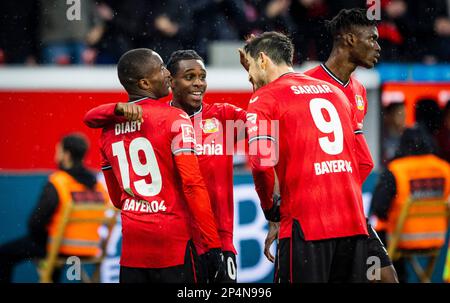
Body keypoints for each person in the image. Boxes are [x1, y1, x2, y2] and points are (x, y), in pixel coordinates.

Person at [84, 49, 247, 283]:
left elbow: (118, 198)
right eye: (164, 71)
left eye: (203, 76)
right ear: (145, 82)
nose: (167, 76)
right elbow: (192, 184)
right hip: (178, 240)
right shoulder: (173, 119)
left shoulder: (108, 129)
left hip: (134, 245)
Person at [241, 31, 369, 282]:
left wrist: (271, 212)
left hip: (306, 225)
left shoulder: (264, 98)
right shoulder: (335, 92)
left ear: (263, 60)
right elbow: (364, 160)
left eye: (250, 66)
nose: (249, 76)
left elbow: (260, 163)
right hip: (353, 224)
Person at [302, 8, 398, 283]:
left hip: (351, 210)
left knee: (386, 277)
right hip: (318, 215)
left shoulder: (359, 92)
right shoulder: (306, 84)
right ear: (349, 39)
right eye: (372, 39)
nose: (379, 47)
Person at [0, 134, 110, 282]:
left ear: (67, 155)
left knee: (4, 254)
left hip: (61, 248)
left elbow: (35, 223)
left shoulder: (59, 181)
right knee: (49, 253)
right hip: (90, 249)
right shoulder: (98, 186)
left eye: (58, 151)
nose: (55, 155)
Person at [371, 126, 450, 283]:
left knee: (373, 239)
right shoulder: (444, 169)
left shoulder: (396, 169)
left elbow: (379, 208)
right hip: (436, 239)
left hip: (401, 238)